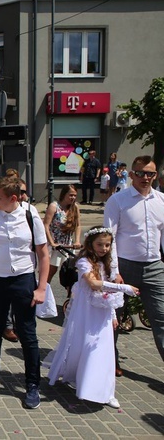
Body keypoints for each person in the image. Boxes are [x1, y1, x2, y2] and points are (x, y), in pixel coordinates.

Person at [0, 176, 49, 408]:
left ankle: (32, 383)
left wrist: (42, 288)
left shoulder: (30, 217)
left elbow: (43, 254)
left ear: (13, 198)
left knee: (27, 333)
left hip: (23, 280)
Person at [46, 227, 139, 408]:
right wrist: (124, 288)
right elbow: (94, 284)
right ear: (90, 244)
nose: (104, 248)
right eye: (99, 244)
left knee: (103, 348)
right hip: (86, 311)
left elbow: (107, 293)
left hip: (102, 312)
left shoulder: (107, 264)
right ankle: (81, 381)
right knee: (85, 344)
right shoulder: (84, 262)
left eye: (107, 245)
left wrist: (112, 314)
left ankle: (105, 390)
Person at [104, 155, 164, 361]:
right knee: (114, 317)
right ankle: (109, 362)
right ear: (131, 175)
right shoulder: (118, 200)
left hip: (154, 266)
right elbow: (108, 238)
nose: (145, 178)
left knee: (161, 318)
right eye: (140, 173)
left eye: (150, 174)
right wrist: (114, 271)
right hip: (125, 267)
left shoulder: (161, 201)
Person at [43, 184, 82, 286]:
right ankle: (44, 290)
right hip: (55, 244)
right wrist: (52, 243)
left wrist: (77, 240)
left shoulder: (75, 207)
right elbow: (46, 225)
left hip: (67, 244)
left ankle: (71, 295)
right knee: (52, 270)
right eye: (70, 195)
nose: (72, 198)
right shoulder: (54, 207)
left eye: (74, 195)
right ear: (64, 194)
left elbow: (77, 225)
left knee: (70, 271)